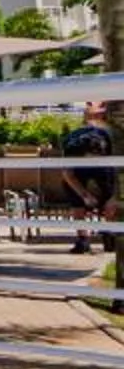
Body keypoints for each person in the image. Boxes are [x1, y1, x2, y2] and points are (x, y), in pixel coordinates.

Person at [61, 102, 117, 257]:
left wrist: (111, 199)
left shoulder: (106, 142)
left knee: (108, 197)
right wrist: (84, 195)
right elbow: (68, 174)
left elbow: (114, 173)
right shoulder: (72, 148)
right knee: (77, 202)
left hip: (103, 169)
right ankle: (83, 240)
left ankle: (109, 235)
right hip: (78, 172)